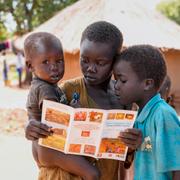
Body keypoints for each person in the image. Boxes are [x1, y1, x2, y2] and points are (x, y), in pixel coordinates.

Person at [25, 21, 142, 180]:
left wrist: (132, 146)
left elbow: (125, 161)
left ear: (115, 60)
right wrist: (31, 127)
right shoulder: (66, 91)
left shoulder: (124, 100)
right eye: (84, 60)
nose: (90, 68)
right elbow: (43, 150)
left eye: (100, 63)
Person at [24, 32, 100, 180]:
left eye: (59, 61)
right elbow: (57, 119)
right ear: (29, 65)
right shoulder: (45, 88)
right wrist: (75, 112)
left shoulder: (48, 85)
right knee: (92, 174)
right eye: (46, 62)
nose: (54, 67)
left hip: (45, 146)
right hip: (51, 146)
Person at [113, 44, 180, 180]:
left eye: (123, 80)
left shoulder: (163, 115)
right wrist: (131, 147)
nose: (116, 86)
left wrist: (141, 143)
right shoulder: (138, 116)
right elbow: (146, 148)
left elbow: (177, 166)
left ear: (147, 84)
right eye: (116, 80)